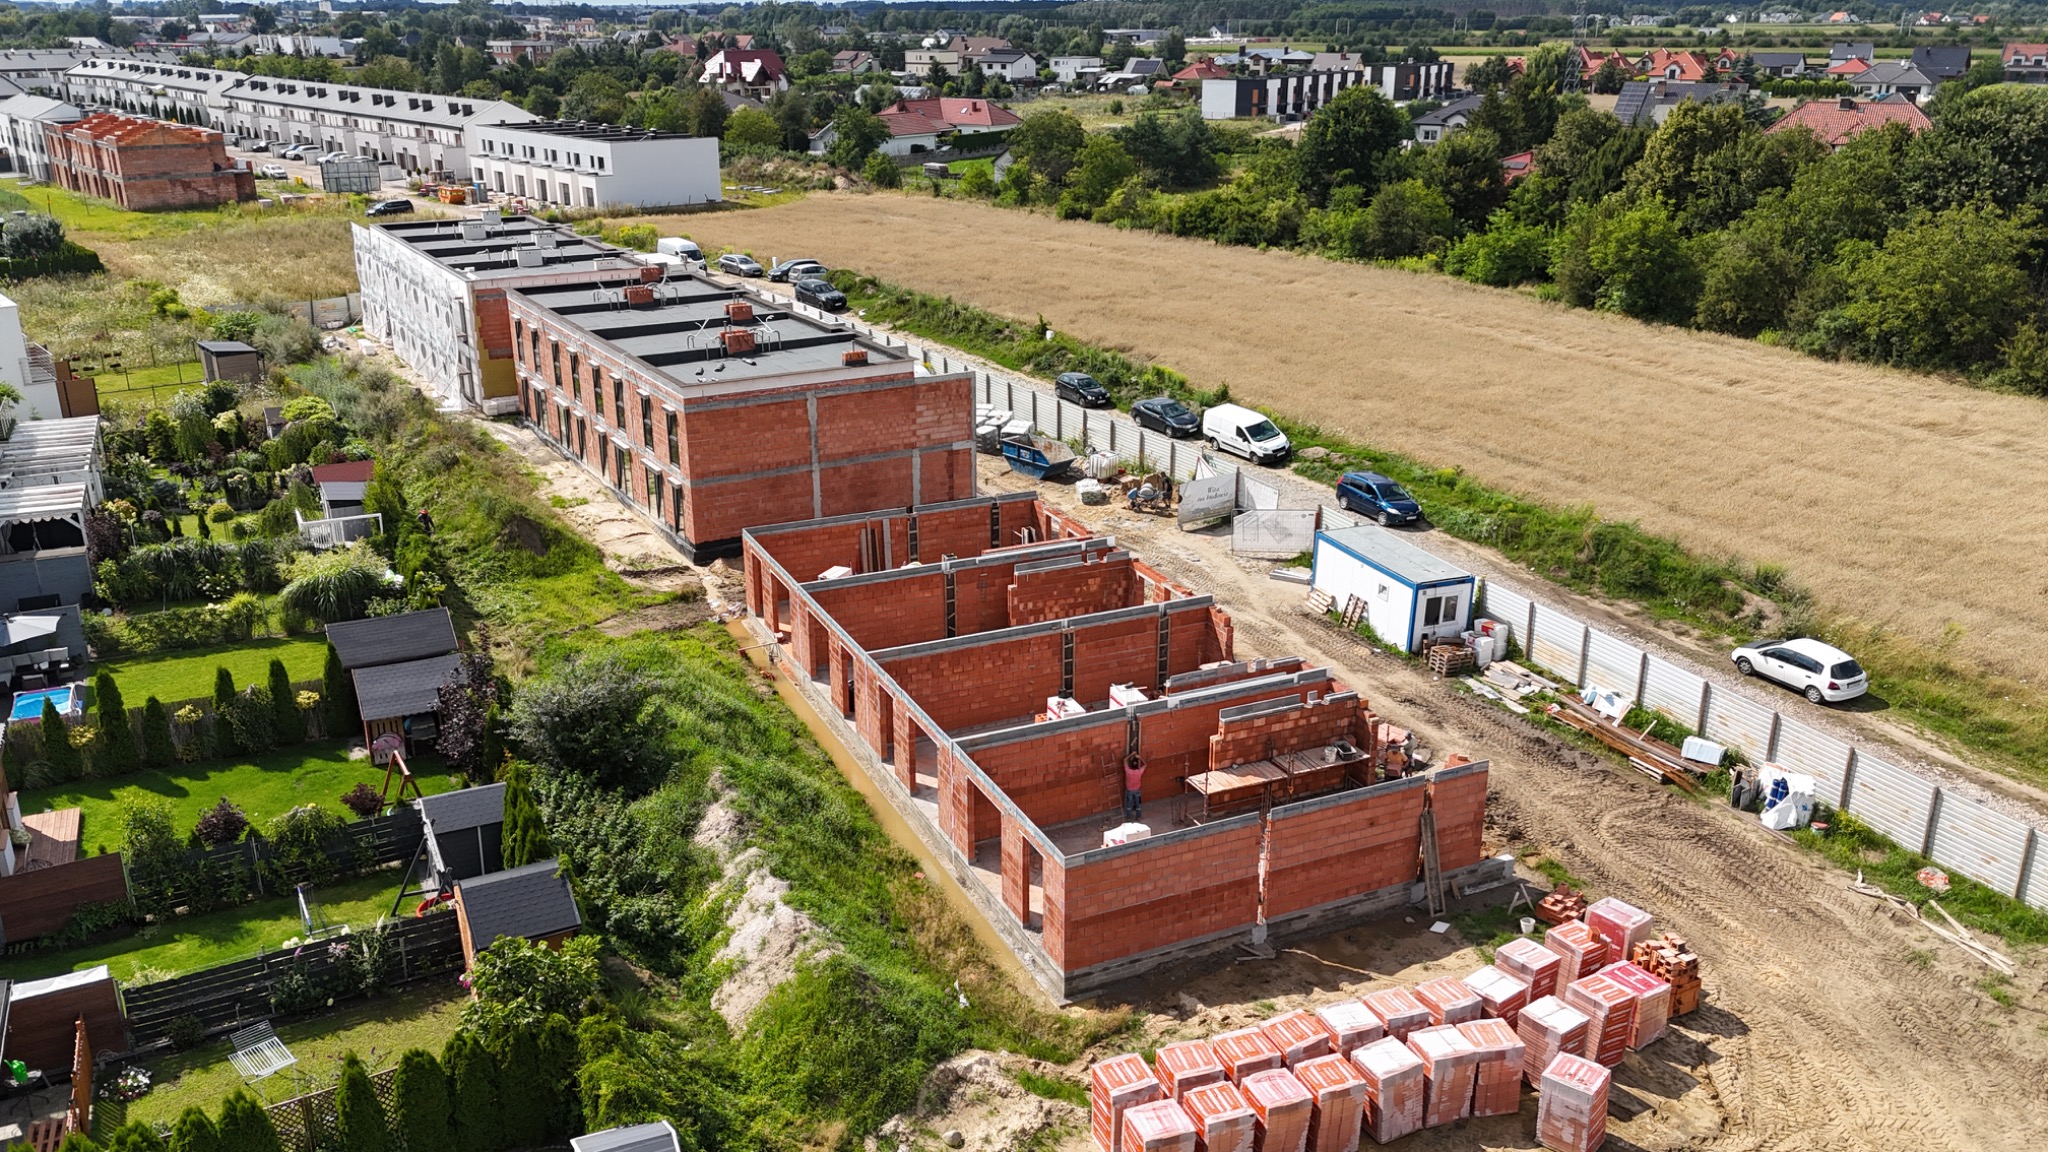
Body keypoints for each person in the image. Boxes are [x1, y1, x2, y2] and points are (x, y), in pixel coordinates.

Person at [1123, 753, 1146, 822]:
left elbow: (1124, 760)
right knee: (1138, 804)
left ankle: (1128, 817)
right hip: (1137, 790)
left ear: (1131, 765)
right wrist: (1140, 758)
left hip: (1129, 790)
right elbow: (1145, 765)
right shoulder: (1139, 772)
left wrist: (1131, 754)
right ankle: (1138, 817)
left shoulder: (1128, 771)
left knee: (1129, 804)